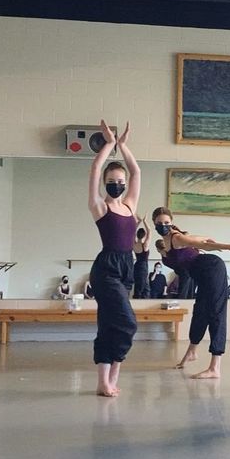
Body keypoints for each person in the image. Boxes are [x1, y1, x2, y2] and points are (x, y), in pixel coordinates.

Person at [152, 206, 230, 379]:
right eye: (160, 223)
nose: (163, 225)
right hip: (201, 276)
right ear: (154, 224)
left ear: (171, 222)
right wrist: (203, 238)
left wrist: (229, 246)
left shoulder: (176, 237)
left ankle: (215, 367)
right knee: (200, 311)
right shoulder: (166, 245)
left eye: (166, 222)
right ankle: (192, 351)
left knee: (216, 312)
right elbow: (198, 240)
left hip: (211, 268)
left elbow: (202, 245)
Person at [87, 120, 140, 398]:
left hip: (126, 266)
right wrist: (109, 144)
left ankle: (105, 380)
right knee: (127, 323)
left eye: (121, 182)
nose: (117, 185)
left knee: (109, 324)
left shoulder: (130, 206)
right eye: (112, 182)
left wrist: (123, 146)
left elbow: (136, 171)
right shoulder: (99, 207)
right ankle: (110, 376)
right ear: (105, 184)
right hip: (106, 269)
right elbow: (96, 169)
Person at [132, 215, 151, 299]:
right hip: (143, 267)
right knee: (141, 288)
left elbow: (132, 232)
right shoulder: (145, 245)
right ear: (144, 235)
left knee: (142, 286)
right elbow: (149, 231)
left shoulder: (134, 244)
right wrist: (145, 221)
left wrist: (138, 222)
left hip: (137, 266)